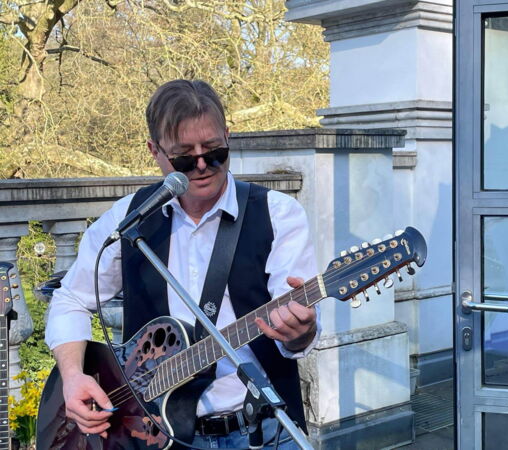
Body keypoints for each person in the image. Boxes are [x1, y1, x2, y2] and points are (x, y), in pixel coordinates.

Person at [45, 79, 320, 449]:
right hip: (155, 436)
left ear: (228, 136)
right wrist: (73, 376)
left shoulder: (279, 215)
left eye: (214, 150)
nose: (202, 165)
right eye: (184, 157)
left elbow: (296, 334)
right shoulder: (129, 219)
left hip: (263, 432)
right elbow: (70, 299)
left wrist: (300, 332)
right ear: (154, 151)